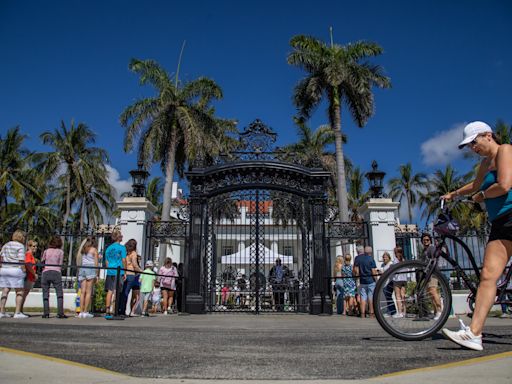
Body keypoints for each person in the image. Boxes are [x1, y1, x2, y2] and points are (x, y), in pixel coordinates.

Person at [442, 121, 512, 351]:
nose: (473, 148)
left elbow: (503, 185)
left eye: (474, 142)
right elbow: (475, 185)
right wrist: (454, 193)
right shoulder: (484, 164)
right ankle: (473, 333)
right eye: (469, 145)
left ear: (488, 135)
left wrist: (482, 195)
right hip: (500, 224)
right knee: (488, 276)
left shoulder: (505, 150)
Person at [0, 230, 27, 318]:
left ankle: (2, 311)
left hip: (4, 269)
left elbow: (1, 257)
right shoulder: (20, 246)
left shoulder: (6, 245)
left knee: (5, 290)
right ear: (21, 237)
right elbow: (21, 260)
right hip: (15, 270)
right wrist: (24, 270)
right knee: (19, 291)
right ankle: (17, 312)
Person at [41, 235, 67, 318]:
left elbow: (42, 261)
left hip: (46, 272)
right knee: (59, 294)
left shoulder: (46, 251)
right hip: (56, 272)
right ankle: (60, 313)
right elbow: (60, 264)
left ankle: (46, 313)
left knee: (45, 294)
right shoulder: (60, 252)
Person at [419, 233, 442, 320]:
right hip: (427, 274)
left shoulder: (431, 248)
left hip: (433, 273)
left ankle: (440, 311)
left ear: (430, 240)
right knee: (431, 293)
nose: (426, 241)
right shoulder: (424, 250)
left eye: (427, 240)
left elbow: (434, 259)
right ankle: (436, 312)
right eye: (424, 240)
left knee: (433, 291)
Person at [104, 230, 126, 317]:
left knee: (110, 291)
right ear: (118, 237)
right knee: (117, 291)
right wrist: (124, 271)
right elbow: (123, 260)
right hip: (118, 271)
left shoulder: (108, 248)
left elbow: (106, 261)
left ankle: (107, 309)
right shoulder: (122, 248)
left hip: (110, 271)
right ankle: (114, 309)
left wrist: (109, 269)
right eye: (121, 235)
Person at [118, 239, 142, 316]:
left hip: (123, 273)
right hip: (131, 274)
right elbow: (135, 265)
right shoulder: (133, 253)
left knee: (121, 292)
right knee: (126, 293)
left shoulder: (124, 251)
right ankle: (122, 311)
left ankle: (119, 309)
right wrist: (141, 271)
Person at [77, 237, 99, 318]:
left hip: (83, 268)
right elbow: (96, 263)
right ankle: (86, 311)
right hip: (91, 268)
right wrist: (97, 274)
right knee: (88, 292)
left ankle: (81, 312)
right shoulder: (94, 250)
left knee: (83, 292)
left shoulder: (83, 249)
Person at [353, 246, 377, 318]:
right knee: (370, 297)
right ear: (371, 252)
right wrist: (376, 279)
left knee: (363, 297)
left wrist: (357, 276)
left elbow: (356, 270)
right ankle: (371, 313)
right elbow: (373, 271)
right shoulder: (371, 259)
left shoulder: (359, 259)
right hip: (370, 280)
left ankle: (362, 314)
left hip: (362, 280)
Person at [20, 239, 38, 316]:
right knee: (23, 294)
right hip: (28, 277)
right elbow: (27, 264)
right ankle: (19, 310)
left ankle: (20, 310)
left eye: (36, 246)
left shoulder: (31, 255)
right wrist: (34, 274)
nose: (36, 248)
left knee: (24, 294)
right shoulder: (28, 254)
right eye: (33, 246)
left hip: (30, 277)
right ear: (28, 246)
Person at [392, 247, 407, 318]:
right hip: (404, 279)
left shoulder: (395, 260)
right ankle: (404, 311)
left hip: (397, 279)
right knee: (403, 295)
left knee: (397, 296)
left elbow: (394, 269)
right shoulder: (404, 259)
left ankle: (399, 312)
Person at [380, 251, 396, 317]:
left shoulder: (391, 264)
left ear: (389, 257)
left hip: (389, 282)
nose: (384, 258)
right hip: (384, 283)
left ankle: (393, 311)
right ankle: (389, 310)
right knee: (387, 297)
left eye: (386, 257)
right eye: (383, 257)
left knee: (389, 297)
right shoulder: (383, 265)